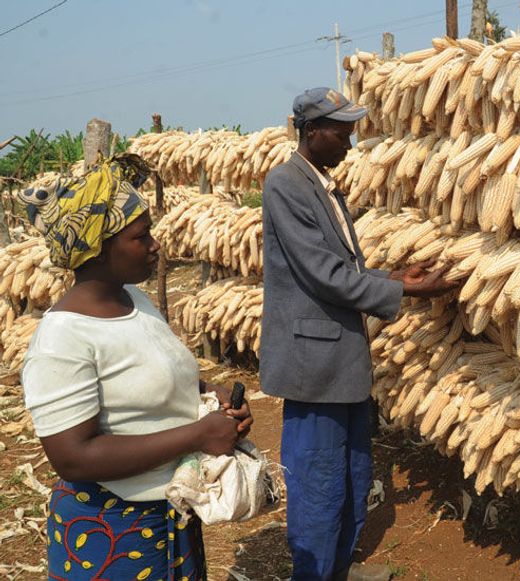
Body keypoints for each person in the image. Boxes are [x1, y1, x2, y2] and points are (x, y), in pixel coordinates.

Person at [18, 154, 253, 580]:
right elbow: (73, 457)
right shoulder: (62, 340)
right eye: (141, 237)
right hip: (111, 533)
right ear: (99, 248)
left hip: (169, 517)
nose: (155, 246)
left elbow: (150, 371)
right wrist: (199, 433)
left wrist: (207, 392)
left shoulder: (136, 302)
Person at [261, 87, 457, 581]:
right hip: (315, 360)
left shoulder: (323, 185)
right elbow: (322, 274)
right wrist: (406, 293)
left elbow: (346, 266)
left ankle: (339, 564)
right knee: (319, 477)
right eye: (341, 133)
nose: (350, 142)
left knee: (351, 470)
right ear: (311, 132)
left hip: (340, 357)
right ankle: (314, 571)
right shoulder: (285, 184)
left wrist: (397, 276)